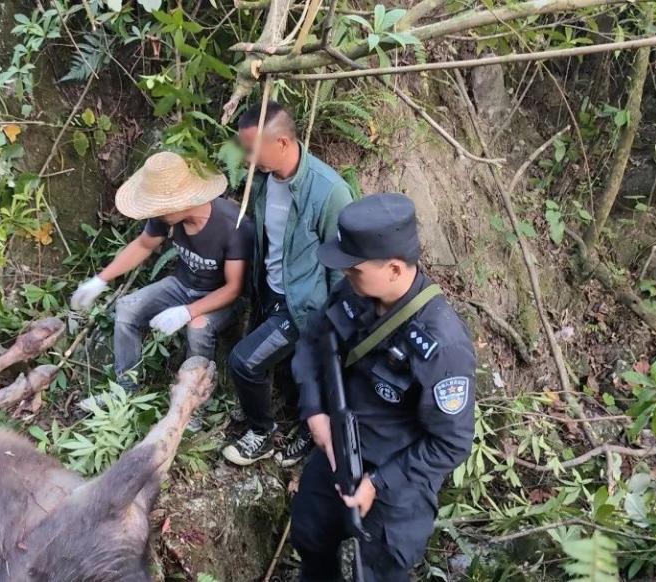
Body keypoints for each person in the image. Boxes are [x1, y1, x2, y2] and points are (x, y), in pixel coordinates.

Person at [289, 193, 476, 581]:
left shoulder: (443, 345)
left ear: (393, 269)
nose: (346, 275)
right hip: (337, 452)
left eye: (355, 268)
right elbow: (313, 340)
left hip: (395, 486)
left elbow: (451, 443)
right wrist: (314, 411)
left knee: (373, 573)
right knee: (310, 536)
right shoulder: (354, 293)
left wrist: (378, 483)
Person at [70, 152, 253, 419]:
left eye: (161, 207)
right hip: (182, 283)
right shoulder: (166, 216)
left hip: (222, 296)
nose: (156, 212)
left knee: (198, 328)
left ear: (185, 200)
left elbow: (234, 288)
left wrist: (187, 312)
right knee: (127, 308)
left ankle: (192, 410)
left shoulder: (232, 225)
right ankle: (125, 390)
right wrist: (101, 279)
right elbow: (144, 245)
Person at [222, 101, 353, 467]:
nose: (246, 158)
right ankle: (297, 424)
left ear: (281, 143)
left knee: (244, 362)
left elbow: (342, 265)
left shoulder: (329, 192)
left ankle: (262, 432)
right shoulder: (262, 181)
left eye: (252, 149)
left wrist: (335, 320)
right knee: (293, 370)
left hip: (304, 307)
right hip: (269, 291)